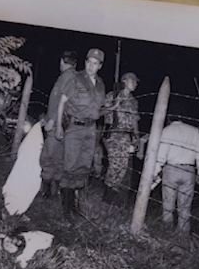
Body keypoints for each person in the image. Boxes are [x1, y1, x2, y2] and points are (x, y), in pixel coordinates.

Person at [55, 48, 106, 217]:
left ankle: (75, 206)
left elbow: (98, 109)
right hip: (74, 127)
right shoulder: (75, 79)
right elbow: (62, 103)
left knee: (84, 167)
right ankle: (65, 209)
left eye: (95, 63)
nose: (91, 66)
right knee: (70, 166)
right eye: (89, 62)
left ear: (100, 66)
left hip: (91, 129)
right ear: (85, 62)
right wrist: (58, 126)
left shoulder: (101, 84)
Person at [151, 117, 199, 233]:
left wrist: (155, 173)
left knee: (168, 205)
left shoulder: (167, 130)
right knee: (185, 206)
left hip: (171, 169)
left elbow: (161, 155)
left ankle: (167, 230)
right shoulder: (194, 130)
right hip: (189, 170)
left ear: (169, 118)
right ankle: (183, 234)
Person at [40, 51, 78, 199]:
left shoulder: (69, 78)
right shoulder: (68, 77)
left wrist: (52, 121)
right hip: (61, 123)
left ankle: (47, 190)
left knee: (48, 156)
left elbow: (64, 103)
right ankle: (52, 191)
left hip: (59, 124)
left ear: (62, 61)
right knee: (57, 157)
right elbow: (56, 102)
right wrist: (47, 117)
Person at [101, 71, 140, 204]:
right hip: (113, 133)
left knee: (122, 167)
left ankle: (112, 193)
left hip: (126, 136)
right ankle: (107, 195)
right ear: (125, 80)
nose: (135, 84)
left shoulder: (134, 102)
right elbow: (101, 112)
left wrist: (136, 138)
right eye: (133, 80)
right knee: (115, 164)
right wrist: (114, 105)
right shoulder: (112, 95)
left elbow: (135, 121)